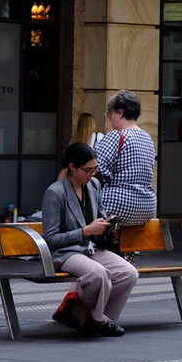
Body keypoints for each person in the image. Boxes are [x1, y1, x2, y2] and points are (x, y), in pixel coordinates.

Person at [39, 142, 137, 337]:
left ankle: (92, 317)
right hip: (65, 252)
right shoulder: (55, 192)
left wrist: (107, 223)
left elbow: (98, 217)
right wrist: (85, 231)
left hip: (91, 247)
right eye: (87, 170)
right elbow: (50, 239)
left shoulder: (94, 185)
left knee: (129, 273)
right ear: (72, 167)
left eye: (95, 169)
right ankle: (99, 321)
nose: (92, 174)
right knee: (99, 274)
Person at [92, 91, 157, 226]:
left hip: (118, 206)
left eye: (110, 113)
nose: (109, 118)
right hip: (147, 208)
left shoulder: (116, 136)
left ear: (120, 113)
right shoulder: (148, 138)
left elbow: (94, 168)